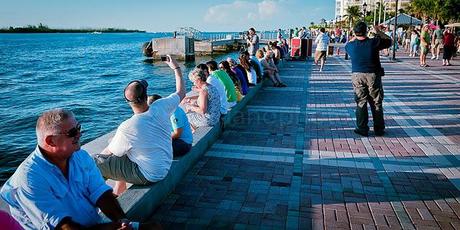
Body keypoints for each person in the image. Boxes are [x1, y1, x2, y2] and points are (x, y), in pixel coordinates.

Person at [0, 109, 158, 229]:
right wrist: (113, 228)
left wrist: (122, 221)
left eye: (79, 127)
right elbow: (62, 226)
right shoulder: (30, 178)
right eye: (73, 132)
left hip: (93, 225)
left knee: (154, 227)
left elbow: (101, 193)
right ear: (51, 141)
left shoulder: (81, 157)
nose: (80, 134)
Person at [95, 55, 186, 195]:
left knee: (95, 163)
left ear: (127, 102)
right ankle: (118, 191)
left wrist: (101, 158)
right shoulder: (161, 106)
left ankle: (97, 203)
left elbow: (108, 153)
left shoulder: (128, 126)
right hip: (164, 166)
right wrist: (176, 68)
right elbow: (181, 92)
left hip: (149, 174)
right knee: (121, 148)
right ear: (146, 96)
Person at [345, 22, 391, 137]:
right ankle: (379, 129)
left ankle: (362, 128)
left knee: (361, 102)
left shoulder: (350, 46)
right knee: (376, 102)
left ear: (354, 32)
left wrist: (354, 35)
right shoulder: (374, 43)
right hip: (373, 75)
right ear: (366, 31)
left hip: (357, 75)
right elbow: (389, 41)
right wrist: (377, 31)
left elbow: (348, 42)